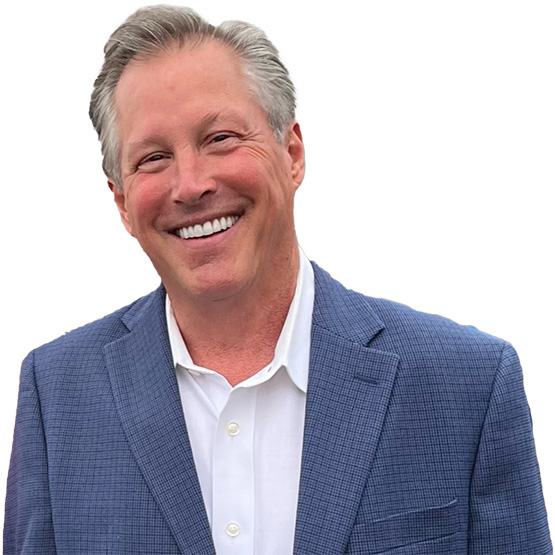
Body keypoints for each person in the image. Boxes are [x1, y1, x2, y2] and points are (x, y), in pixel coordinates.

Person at [4, 5, 552, 554]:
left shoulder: (467, 387)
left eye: (219, 138)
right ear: (122, 202)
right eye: (153, 158)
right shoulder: (57, 399)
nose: (191, 185)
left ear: (292, 153)